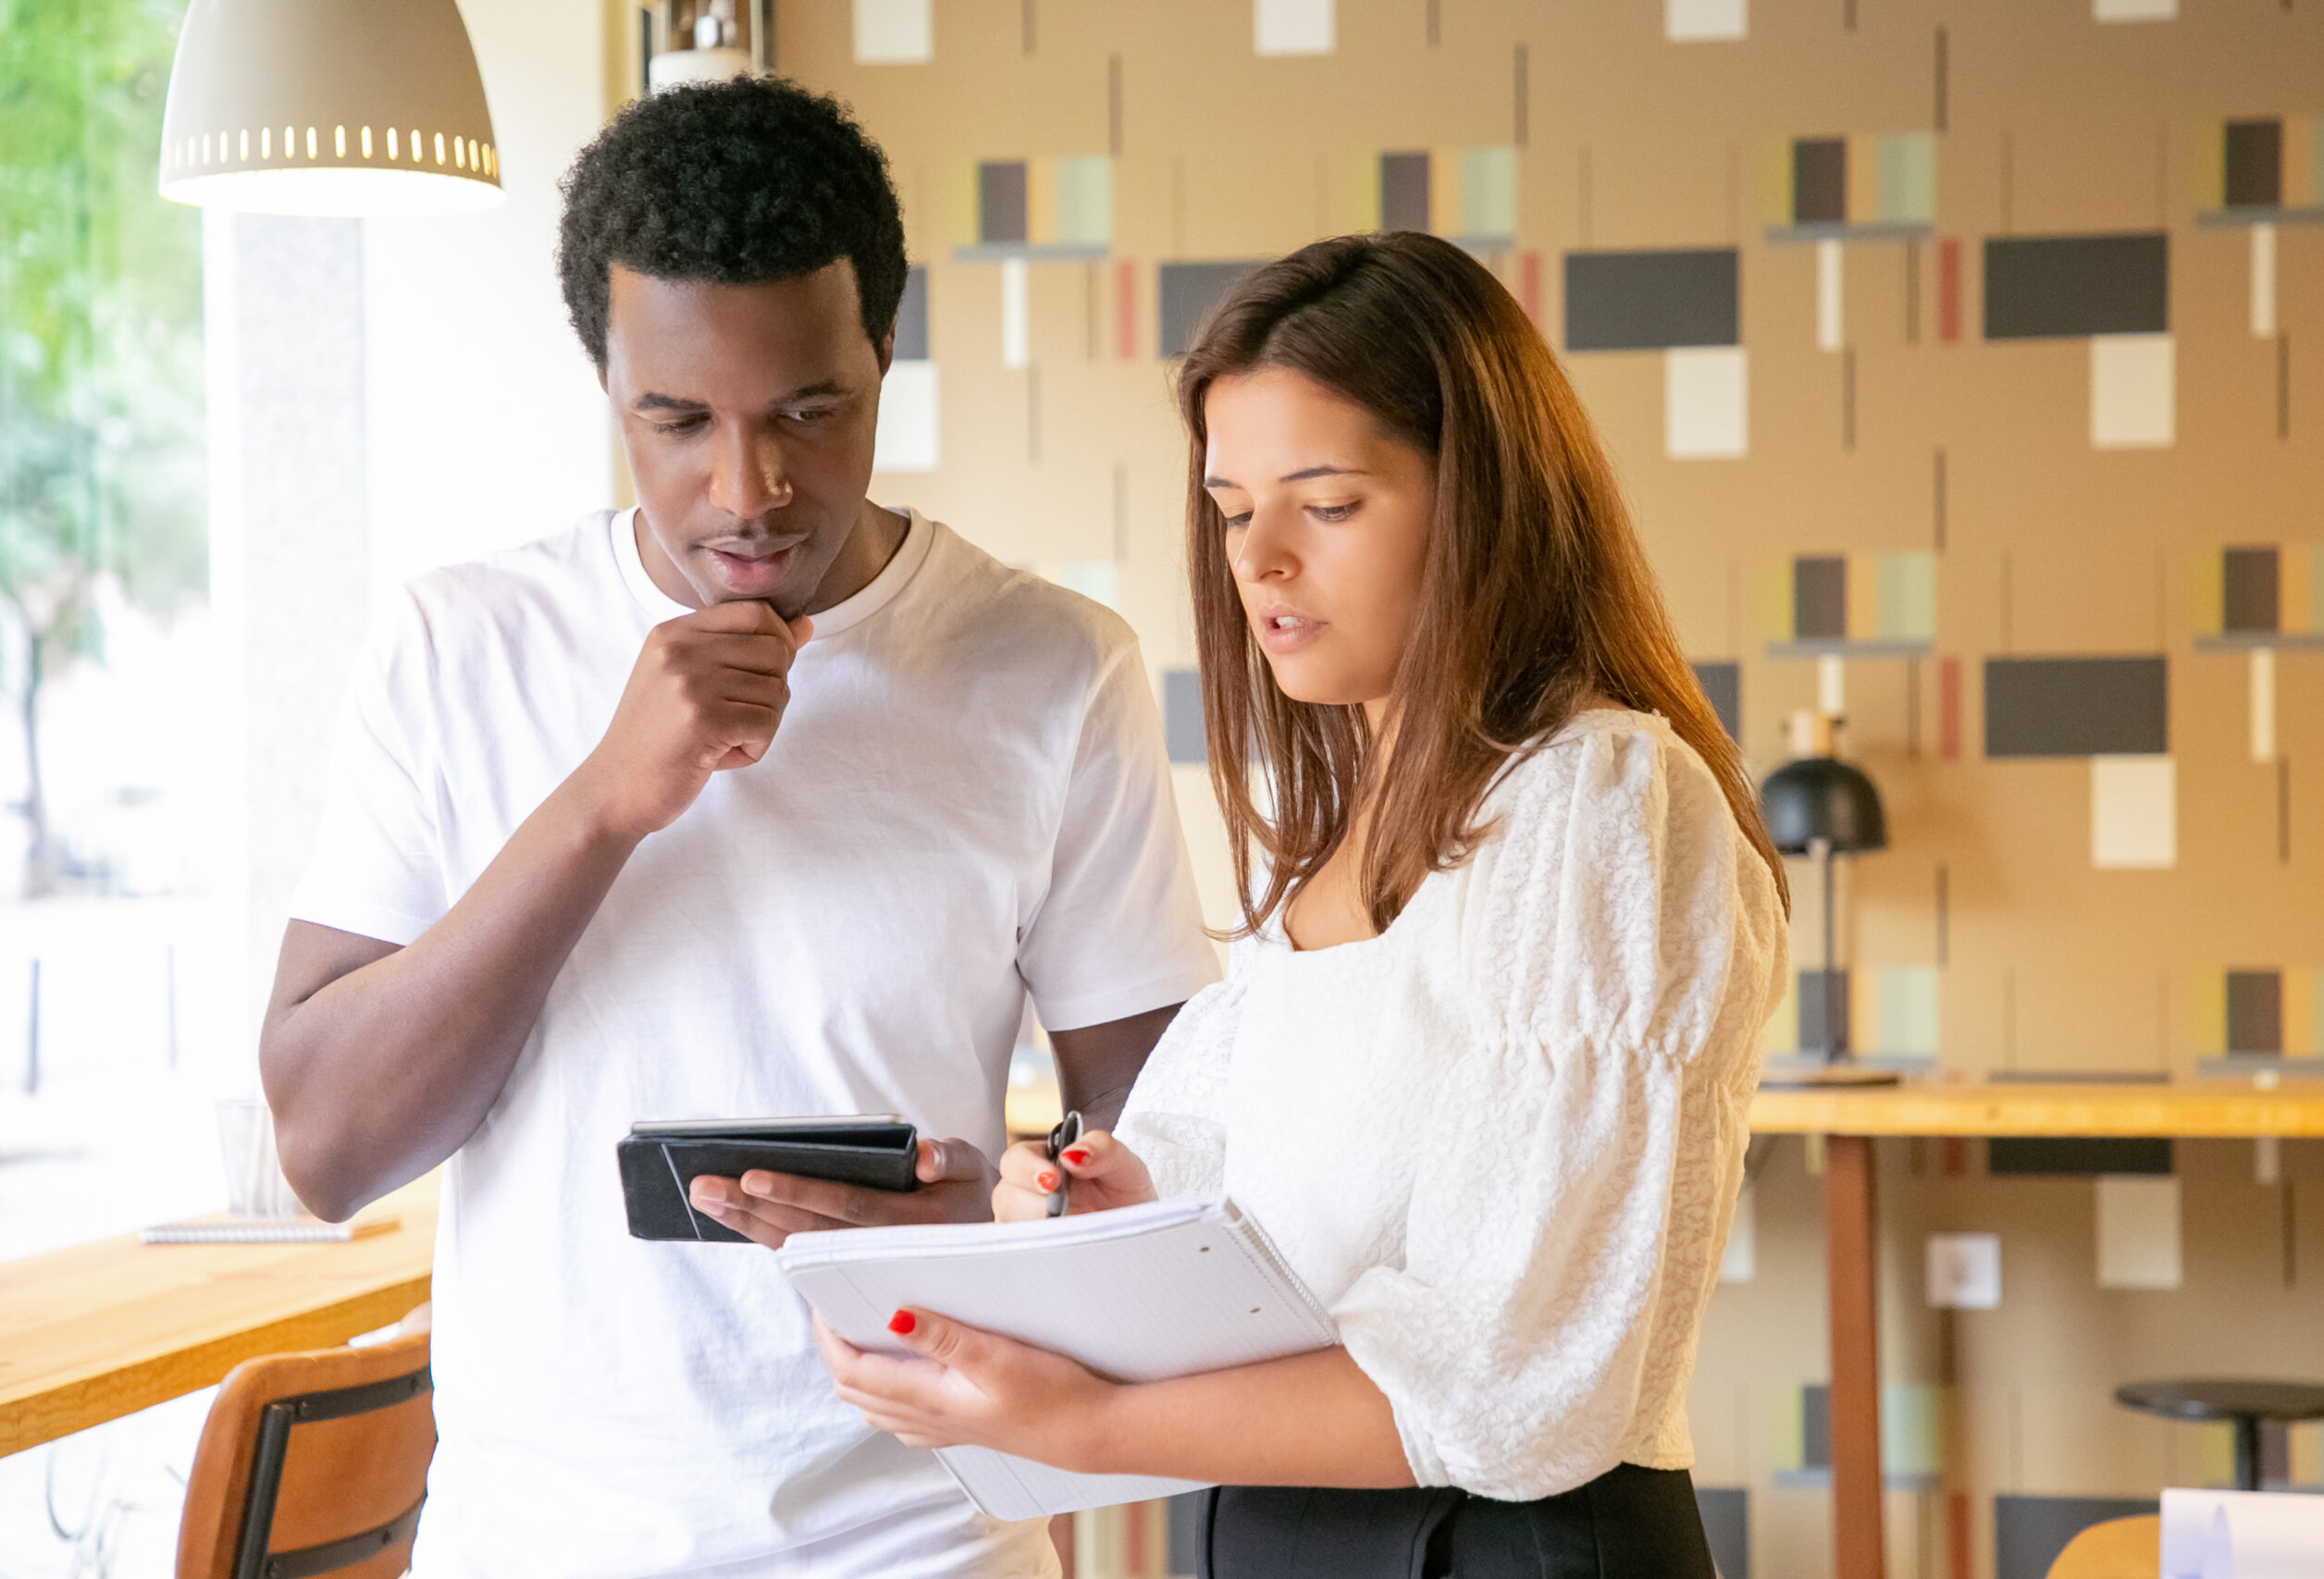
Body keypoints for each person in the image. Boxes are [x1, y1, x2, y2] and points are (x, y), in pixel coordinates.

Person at [260, 78, 1216, 1579]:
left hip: (928, 1546)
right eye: (677, 419)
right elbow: (325, 1146)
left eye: (807, 414)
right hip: (543, 1546)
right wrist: (604, 804)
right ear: (607, 382)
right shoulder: (460, 649)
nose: (747, 490)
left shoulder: (1051, 666)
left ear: (882, 356)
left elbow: (1171, 1164)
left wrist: (1005, 1214)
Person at [812, 231, 1792, 1576]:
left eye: (1325, 504)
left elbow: (1513, 1383)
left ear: (1482, 501)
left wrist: (1094, 1423)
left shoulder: (1603, 797)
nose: (1260, 560)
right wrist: (1115, 1215)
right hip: (1287, 1527)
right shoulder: (1325, 840)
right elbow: (1290, 1252)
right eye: (1230, 509)